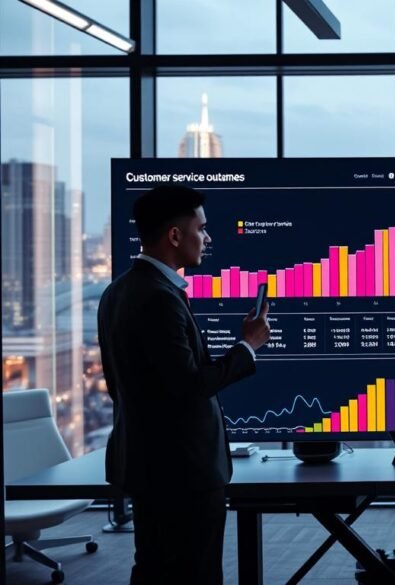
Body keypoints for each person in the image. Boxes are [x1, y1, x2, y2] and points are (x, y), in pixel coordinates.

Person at [98, 184, 270, 585]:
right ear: (175, 235)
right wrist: (247, 346)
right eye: (201, 228)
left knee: (156, 569)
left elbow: (117, 385)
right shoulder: (159, 298)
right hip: (182, 474)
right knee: (195, 573)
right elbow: (190, 385)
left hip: (149, 466)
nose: (208, 238)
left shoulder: (117, 292)